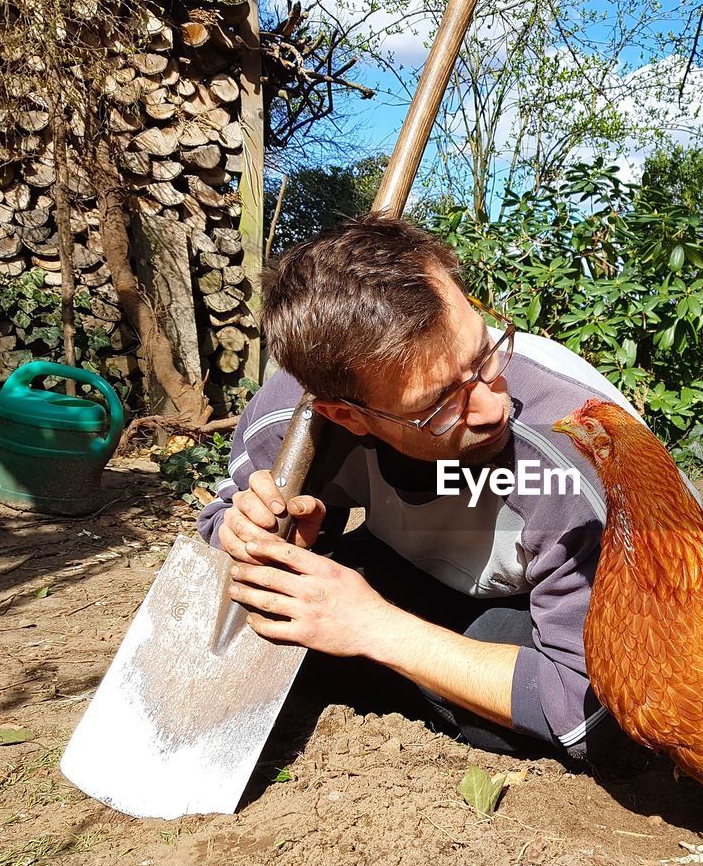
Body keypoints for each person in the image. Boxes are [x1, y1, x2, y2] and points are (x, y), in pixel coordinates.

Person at [198, 214, 644, 759]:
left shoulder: (571, 464)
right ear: (348, 415)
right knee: (303, 610)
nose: (490, 407)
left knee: (503, 682)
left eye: (484, 354)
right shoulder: (287, 427)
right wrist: (253, 531)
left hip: (572, 607)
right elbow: (221, 517)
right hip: (422, 568)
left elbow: (589, 708)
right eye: (438, 405)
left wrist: (375, 629)